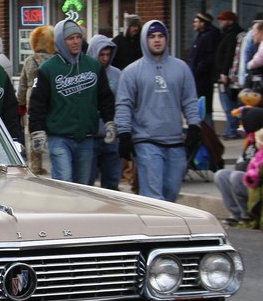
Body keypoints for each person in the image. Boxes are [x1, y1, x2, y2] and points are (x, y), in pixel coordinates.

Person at [115, 20, 201, 202]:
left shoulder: (181, 68)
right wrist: (123, 133)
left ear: (167, 39)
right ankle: (156, 229)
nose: (157, 40)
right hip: (146, 140)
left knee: (171, 193)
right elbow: (124, 104)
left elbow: (190, 100)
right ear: (144, 40)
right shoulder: (131, 72)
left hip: (175, 141)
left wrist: (194, 125)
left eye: (161, 36)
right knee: (154, 196)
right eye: (152, 36)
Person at [29, 20, 116, 185]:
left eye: (78, 37)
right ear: (61, 40)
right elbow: (37, 104)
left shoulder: (93, 66)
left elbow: (105, 97)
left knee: (83, 185)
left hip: (86, 137)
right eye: (70, 38)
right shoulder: (47, 69)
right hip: (59, 137)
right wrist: (37, 131)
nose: (76, 42)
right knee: (65, 182)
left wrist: (109, 121)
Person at [214, 105, 263, 225]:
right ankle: (237, 214)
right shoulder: (250, 140)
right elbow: (242, 162)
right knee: (221, 175)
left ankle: (247, 215)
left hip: (257, 181)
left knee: (236, 176)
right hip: (245, 176)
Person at [17, 26, 55, 175]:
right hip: (50, 98)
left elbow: (22, 83)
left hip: (32, 97)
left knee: (33, 131)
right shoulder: (55, 61)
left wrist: (20, 103)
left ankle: (35, 165)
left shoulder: (30, 60)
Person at [87, 34, 122, 190]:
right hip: (90, 137)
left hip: (111, 136)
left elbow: (122, 103)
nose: (105, 58)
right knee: (87, 183)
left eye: (108, 54)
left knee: (112, 182)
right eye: (101, 54)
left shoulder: (117, 74)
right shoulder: (84, 73)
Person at [215, 11, 245, 139]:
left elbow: (228, 56)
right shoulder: (228, 34)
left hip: (228, 76)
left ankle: (232, 129)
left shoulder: (232, 36)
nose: (221, 22)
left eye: (223, 20)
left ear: (230, 21)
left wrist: (224, 73)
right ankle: (231, 128)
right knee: (229, 104)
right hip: (228, 75)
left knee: (229, 104)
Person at [187, 11, 220, 125]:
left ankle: (208, 130)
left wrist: (199, 68)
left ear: (203, 23)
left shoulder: (211, 35)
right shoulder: (201, 35)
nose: (194, 24)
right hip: (196, 76)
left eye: (196, 22)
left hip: (204, 78)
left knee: (205, 105)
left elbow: (211, 56)